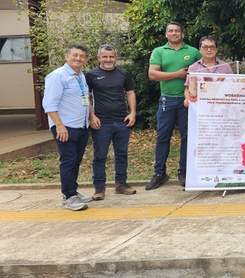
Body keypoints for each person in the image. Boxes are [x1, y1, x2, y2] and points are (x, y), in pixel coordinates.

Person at [146, 21, 201, 190]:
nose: (174, 33)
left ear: (182, 33)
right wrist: (178, 74)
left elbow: (201, 72)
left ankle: (184, 172)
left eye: (177, 31)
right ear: (166, 34)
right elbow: (153, 74)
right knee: (163, 137)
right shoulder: (159, 51)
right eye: (171, 31)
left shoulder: (193, 52)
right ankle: (159, 173)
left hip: (188, 101)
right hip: (167, 99)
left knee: (187, 137)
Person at [43, 44, 93, 211]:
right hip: (65, 127)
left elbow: (85, 99)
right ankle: (68, 196)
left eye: (82, 56)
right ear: (67, 57)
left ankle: (73, 191)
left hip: (81, 125)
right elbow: (49, 104)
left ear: (85, 60)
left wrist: (90, 117)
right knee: (68, 161)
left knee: (76, 161)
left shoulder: (80, 76)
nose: (78, 58)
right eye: (75, 55)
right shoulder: (57, 76)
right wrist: (59, 126)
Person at [86, 44, 137, 200]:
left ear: (115, 57)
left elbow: (130, 93)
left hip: (122, 121)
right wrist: (91, 116)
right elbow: (86, 96)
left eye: (111, 56)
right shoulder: (91, 75)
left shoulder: (123, 74)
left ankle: (121, 184)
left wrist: (133, 112)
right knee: (100, 156)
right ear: (99, 58)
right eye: (105, 56)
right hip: (101, 123)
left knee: (121, 154)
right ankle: (99, 189)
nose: (108, 59)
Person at [184, 36, 233, 106]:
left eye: (212, 47)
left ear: (216, 49)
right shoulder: (193, 68)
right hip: (200, 107)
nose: (209, 50)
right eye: (205, 47)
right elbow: (187, 88)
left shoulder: (225, 67)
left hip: (221, 107)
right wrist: (187, 99)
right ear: (200, 49)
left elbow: (232, 87)